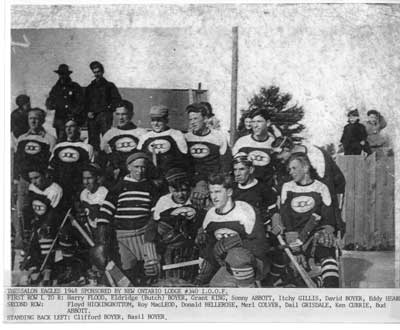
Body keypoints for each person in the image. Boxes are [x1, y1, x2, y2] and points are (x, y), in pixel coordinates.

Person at [195, 173, 269, 287]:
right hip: (228, 265)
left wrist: (238, 242)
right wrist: (205, 256)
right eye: (211, 192)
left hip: (255, 264)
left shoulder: (245, 211)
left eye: (218, 192)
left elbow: (262, 246)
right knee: (216, 288)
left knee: (236, 255)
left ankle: (250, 293)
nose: (214, 197)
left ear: (229, 192)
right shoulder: (210, 215)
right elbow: (210, 247)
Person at [276, 153, 339, 288]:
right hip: (295, 236)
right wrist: (295, 246)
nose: (291, 172)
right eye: (290, 169)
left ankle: (331, 288)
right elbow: (286, 218)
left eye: (294, 168)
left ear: (305, 168)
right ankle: (313, 281)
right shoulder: (288, 187)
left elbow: (328, 217)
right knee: (293, 267)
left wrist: (327, 231)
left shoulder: (321, 187)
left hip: (314, 234)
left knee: (326, 251)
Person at [96, 152, 161, 283]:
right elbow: (105, 213)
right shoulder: (118, 187)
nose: (140, 171)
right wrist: (102, 239)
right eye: (136, 167)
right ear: (129, 167)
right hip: (122, 236)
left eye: (143, 167)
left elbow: (155, 214)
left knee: (150, 269)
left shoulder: (151, 187)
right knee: (127, 269)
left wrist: (151, 234)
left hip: (144, 236)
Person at [273, 136, 346, 234]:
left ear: (287, 149)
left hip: (322, 203)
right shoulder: (292, 161)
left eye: (281, 157)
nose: (280, 160)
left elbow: (333, 185)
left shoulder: (316, 157)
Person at [13, 108, 57, 250]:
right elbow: (17, 161)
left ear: (42, 120)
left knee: (40, 213)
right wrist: (15, 181)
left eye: (36, 118)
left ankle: (41, 249)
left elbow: (52, 163)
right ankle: (25, 249)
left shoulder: (50, 139)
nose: (33, 121)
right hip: (24, 182)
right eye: (31, 118)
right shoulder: (21, 138)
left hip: (41, 184)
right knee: (23, 213)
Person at [151, 168, 204, 280]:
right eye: (176, 191)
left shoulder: (196, 199)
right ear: (170, 189)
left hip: (192, 245)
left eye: (184, 190)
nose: (180, 195)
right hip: (170, 246)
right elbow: (156, 224)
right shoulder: (164, 201)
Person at [21, 166, 65, 286]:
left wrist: (44, 225)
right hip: (36, 221)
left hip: (50, 222)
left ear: (45, 175)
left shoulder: (55, 189)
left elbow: (53, 213)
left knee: (45, 236)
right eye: (31, 179)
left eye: (37, 177)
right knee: (31, 241)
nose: (34, 181)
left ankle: (47, 271)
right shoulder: (32, 187)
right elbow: (29, 207)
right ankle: (32, 267)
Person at [185, 103, 232, 208]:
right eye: (190, 120)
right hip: (193, 186)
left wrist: (210, 185)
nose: (192, 122)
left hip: (213, 185)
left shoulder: (219, 137)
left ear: (205, 119)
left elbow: (226, 165)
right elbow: (185, 166)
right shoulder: (186, 138)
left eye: (196, 119)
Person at [49, 118, 94, 203]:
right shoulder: (58, 147)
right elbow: (51, 168)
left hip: (77, 187)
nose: (68, 129)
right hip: (61, 187)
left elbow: (90, 170)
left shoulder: (87, 147)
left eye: (72, 126)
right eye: (66, 127)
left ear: (78, 129)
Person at [101, 100, 147, 180]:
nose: (120, 118)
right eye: (118, 114)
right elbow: (103, 158)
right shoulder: (109, 134)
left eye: (124, 114)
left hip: (137, 175)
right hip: (116, 176)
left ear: (131, 115)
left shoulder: (142, 133)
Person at [138, 105, 189, 177]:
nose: (155, 123)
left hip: (171, 176)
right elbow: (139, 158)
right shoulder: (145, 137)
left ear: (166, 120)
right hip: (150, 176)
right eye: (153, 120)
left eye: (159, 120)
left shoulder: (176, 134)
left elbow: (184, 158)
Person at [232, 153, 278, 228]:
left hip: (261, 229)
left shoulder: (263, 188)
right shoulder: (232, 189)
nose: (237, 174)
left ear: (251, 170)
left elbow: (274, 212)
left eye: (241, 169)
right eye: (235, 169)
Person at [84, 61, 122, 151]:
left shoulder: (109, 86)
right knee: (93, 140)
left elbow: (117, 100)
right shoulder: (90, 87)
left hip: (104, 116)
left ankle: (108, 159)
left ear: (102, 72)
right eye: (95, 72)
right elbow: (85, 103)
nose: (97, 74)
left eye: (98, 72)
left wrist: (108, 110)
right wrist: (88, 112)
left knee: (107, 138)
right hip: (93, 118)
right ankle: (95, 160)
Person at [232, 109, 276, 186]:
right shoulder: (242, 142)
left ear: (268, 123)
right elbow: (233, 168)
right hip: (245, 190)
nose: (255, 125)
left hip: (266, 190)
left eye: (259, 122)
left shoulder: (273, 143)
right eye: (253, 122)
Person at [46, 64, 84, 141]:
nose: (62, 76)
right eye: (60, 74)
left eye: (64, 74)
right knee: (61, 141)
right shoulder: (56, 88)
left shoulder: (75, 87)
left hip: (72, 119)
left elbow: (81, 103)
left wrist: (74, 113)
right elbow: (49, 103)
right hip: (60, 120)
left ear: (68, 74)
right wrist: (53, 105)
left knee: (74, 140)